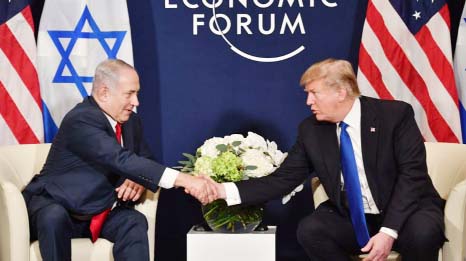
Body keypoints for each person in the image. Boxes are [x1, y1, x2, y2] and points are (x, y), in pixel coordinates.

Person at [205, 59, 445, 260]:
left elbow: (412, 176)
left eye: (314, 93)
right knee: (311, 230)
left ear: (341, 92)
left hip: (407, 212)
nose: (308, 102)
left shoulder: (394, 116)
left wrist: (388, 231)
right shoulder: (312, 130)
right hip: (356, 217)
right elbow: (282, 180)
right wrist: (222, 191)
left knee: (423, 233)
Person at [23, 59, 216, 261]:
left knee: (134, 222)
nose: (136, 102)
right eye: (129, 94)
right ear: (105, 92)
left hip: (99, 210)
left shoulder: (131, 121)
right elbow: (120, 159)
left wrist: (137, 179)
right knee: (53, 216)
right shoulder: (81, 119)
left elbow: (144, 158)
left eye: (137, 93)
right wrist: (187, 180)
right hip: (57, 205)